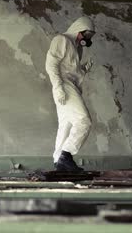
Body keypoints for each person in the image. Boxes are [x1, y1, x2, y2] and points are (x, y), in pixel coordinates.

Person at [45, 16, 96, 172]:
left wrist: (84, 69)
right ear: (78, 29)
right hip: (64, 85)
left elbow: (72, 70)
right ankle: (66, 155)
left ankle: (58, 161)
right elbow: (51, 63)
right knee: (83, 121)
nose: (87, 39)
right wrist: (58, 86)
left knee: (66, 124)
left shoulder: (76, 47)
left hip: (70, 85)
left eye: (89, 36)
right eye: (86, 34)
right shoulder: (62, 40)